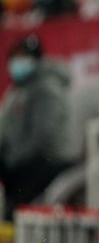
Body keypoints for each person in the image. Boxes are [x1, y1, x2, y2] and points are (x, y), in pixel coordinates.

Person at [0, 35, 73, 220]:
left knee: (16, 212)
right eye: (15, 56)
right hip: (20, 163)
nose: (18, 62)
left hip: (43, 165)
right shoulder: (17, 90)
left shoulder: (46, 87)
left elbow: (43, 137)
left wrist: (11, 162)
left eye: (23, 56)